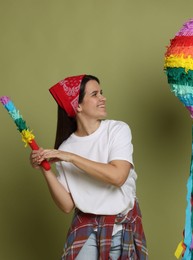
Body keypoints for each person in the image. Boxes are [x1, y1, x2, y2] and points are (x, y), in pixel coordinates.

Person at [30, 74, 148, 260]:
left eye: (101, 92)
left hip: (121, 224)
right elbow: (67, 204)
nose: (103, 98)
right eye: (95, 94)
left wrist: (70, 157)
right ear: (77, 105)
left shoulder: (117, 130)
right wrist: (45, 169)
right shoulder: (65, 148)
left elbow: (118, 177)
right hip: (86, 226)